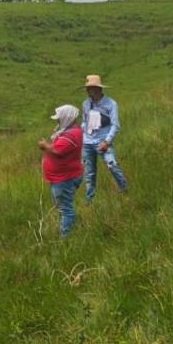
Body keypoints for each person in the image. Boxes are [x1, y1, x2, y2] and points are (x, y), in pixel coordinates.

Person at [81, 75, 128, 203]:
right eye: (87, 88)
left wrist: (107, 141)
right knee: (89, 173)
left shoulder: (111, 104)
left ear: (98, 89)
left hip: (103, 141)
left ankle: (124, 189)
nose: (88, 91)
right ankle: (89, 200)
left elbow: (115, 125)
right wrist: (80, 134)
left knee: (112, 165)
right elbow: (84, 122)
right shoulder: (85, 104)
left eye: (91, 88)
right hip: (87, 142)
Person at [39, 105, 84, 238]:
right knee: (63, 207)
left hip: (64, 179)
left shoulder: (71, 135)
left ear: (67, 117)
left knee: (66, 209)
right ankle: (68, 229)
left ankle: (66, 239)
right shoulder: (71, 131)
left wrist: (44, 145)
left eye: (59, 119)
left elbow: (58, 151)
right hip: (62, 177)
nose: (57, 121)